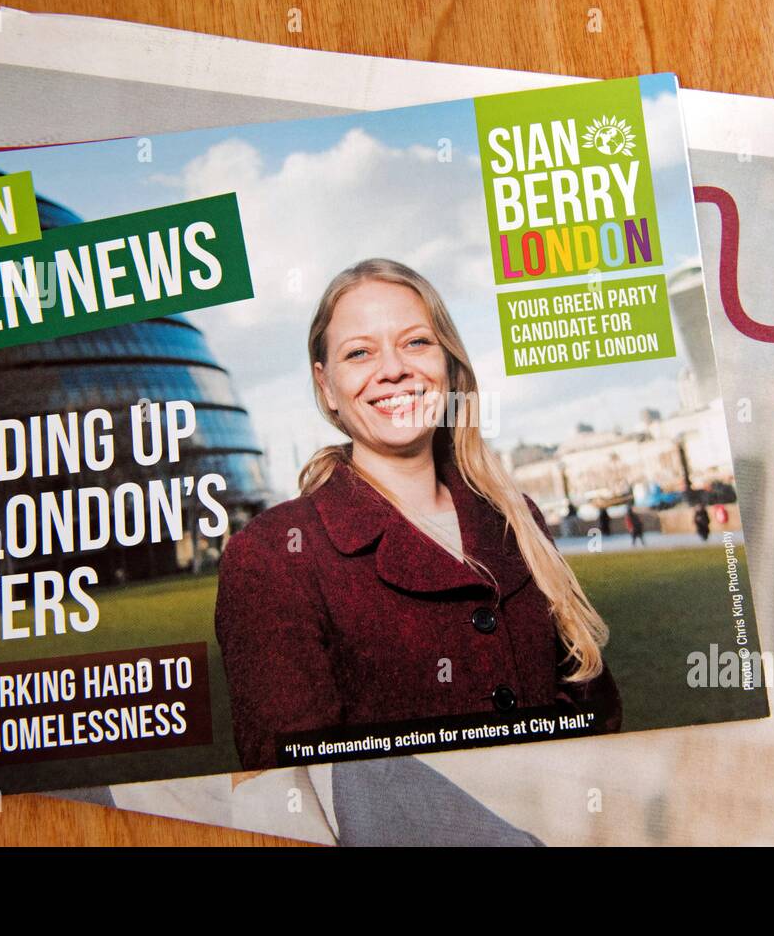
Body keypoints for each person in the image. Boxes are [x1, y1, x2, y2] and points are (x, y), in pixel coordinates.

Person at [214, 258, 622, 770]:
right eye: (359, 352)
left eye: (415, 342)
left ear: (450, 366)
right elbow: (293, 784)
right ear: (326, 387)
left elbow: (597, 713)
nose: (392, 370)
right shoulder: (273, 555)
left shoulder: (517, 518)